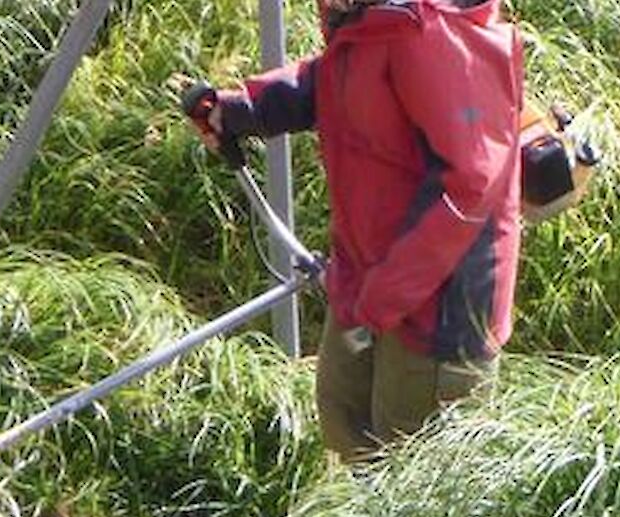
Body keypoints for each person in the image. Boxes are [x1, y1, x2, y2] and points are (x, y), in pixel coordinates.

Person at [191, 0, 524, 461]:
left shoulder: (433, 33)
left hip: (438, 307)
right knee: (344, 422)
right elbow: (342, 78)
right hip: (368, 280)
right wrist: (247, 109)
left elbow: (470, 185)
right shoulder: (375, 22)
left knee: (412, 481)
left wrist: (384, 294)